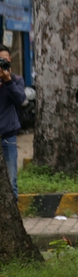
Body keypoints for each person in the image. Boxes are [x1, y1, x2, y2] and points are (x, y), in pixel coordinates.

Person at [0, 45, 25, 199]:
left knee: (11, 182)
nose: (2, 62)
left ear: (10, 60)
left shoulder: (16, 79)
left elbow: (20, 100)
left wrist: (8, 80)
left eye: (4, 59)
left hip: (8, 137)